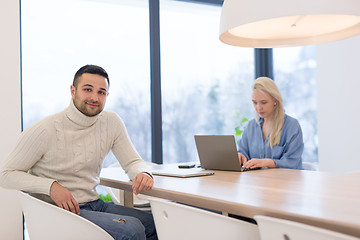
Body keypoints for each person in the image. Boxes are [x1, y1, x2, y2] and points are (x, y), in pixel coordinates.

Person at [0, 65, 158, 240]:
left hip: (94, 204)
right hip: (58, 211)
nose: (94, 97)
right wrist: (51, 186)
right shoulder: (45, 129)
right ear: (72, 90)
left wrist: (143, 172)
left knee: (154, 223)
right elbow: (5, 174)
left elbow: (133, 162)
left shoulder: (111, 122)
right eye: (88, 89)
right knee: (132, 229)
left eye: (101, 92)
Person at [238, 76, 304, 170]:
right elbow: (243, 152)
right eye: (254, 102)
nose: (258, 108)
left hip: (285, 182)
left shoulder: (291, 126)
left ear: (275, 101)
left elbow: (292, 162)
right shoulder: (251, 126)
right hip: (256, 182)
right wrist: (241, 156)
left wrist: (268, 162)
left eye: (263, 102)